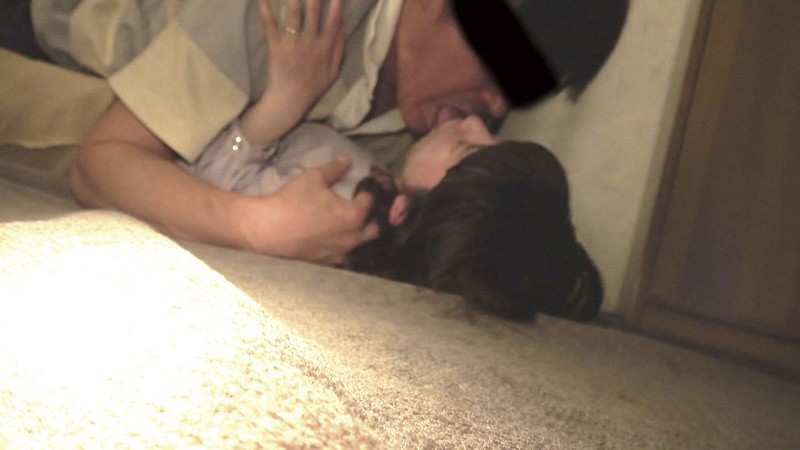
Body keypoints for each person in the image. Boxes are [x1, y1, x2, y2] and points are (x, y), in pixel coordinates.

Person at [29, 0, 629, 264]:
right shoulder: (302, 13)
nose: (496, 105)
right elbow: (102, 163)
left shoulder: (426, 143)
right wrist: (254, 226)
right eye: (504, 63)